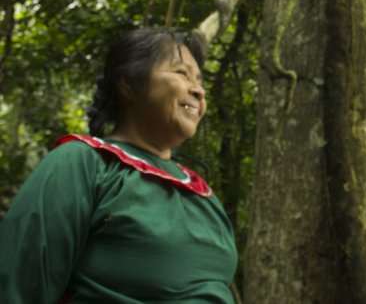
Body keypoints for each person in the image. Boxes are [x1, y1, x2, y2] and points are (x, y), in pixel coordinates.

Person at [0, 27, 238, 303]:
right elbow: (19, 286)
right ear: (128, 84)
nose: (198, 90)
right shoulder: (82, 164)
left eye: (200, 80)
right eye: (181, 73)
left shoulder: (203, 193)